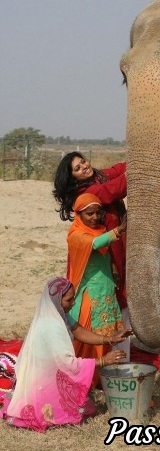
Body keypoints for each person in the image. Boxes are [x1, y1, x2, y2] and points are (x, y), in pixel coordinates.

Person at [0, 277, 130, 432]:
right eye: (69, 300)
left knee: (87, 406)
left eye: (73, 298)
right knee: (79, 410)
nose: (74, 303)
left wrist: (109, 339)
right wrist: (102, 360)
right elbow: (68, 364)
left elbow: (79, 331)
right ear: (56, 300)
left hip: (51, 374)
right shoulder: (52, 326)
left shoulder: (58, 314)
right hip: (44, 380)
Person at [66, 193, 128, 387]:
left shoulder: (100, 230)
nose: (94, 217)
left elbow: (105, 252)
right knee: (87, 338)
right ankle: (86, 378)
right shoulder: (76, 235)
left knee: (109, 333)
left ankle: (103, 377)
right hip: (89, 296)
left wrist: (115, 269)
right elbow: (95, 244)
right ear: (79, 214)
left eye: (97, 213)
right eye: (89, 214)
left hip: (106, 291)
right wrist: (119, 230)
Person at [52, 152, 127, 309]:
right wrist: (140, 171)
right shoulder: (86, 192)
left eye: (83, 162)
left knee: (125, 282)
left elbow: (117, 169)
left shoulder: (99, 176)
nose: (84, 167)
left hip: (117, 239)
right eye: (77, 168)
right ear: (73, 178)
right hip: (103, 246)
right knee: (114, 286)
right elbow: (113, 189)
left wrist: (139, 161)